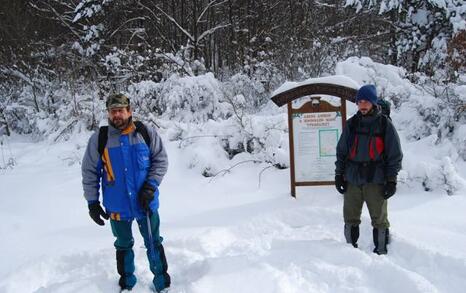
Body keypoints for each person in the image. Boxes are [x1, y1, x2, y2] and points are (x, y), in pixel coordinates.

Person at [81, 93, 170, 291]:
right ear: (108, 114)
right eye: (113, 111)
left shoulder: (145, 132)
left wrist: (150, 186)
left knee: (154, 243)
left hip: (145, 203)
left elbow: (161, 160)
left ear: (129, 111)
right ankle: (127, 284)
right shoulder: (100, 139)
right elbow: (89, 172)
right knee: (123, 245)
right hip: (117, 206)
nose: (117, 115)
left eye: (121, 110)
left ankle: (162, 284)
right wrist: (92, 203)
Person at [335, 84, 403, 255]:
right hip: (352, 179)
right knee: (350, 218)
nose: (363, 105)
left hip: (376, 180)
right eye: (360, 101)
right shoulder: (352, 124)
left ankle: (381, 253)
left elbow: (395, 155)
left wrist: (391, 180)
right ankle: (350, 252)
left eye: (366, 101)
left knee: (379, 220)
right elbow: (342, 151)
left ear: (373, 102)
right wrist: (338, 174)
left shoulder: (384, 125)